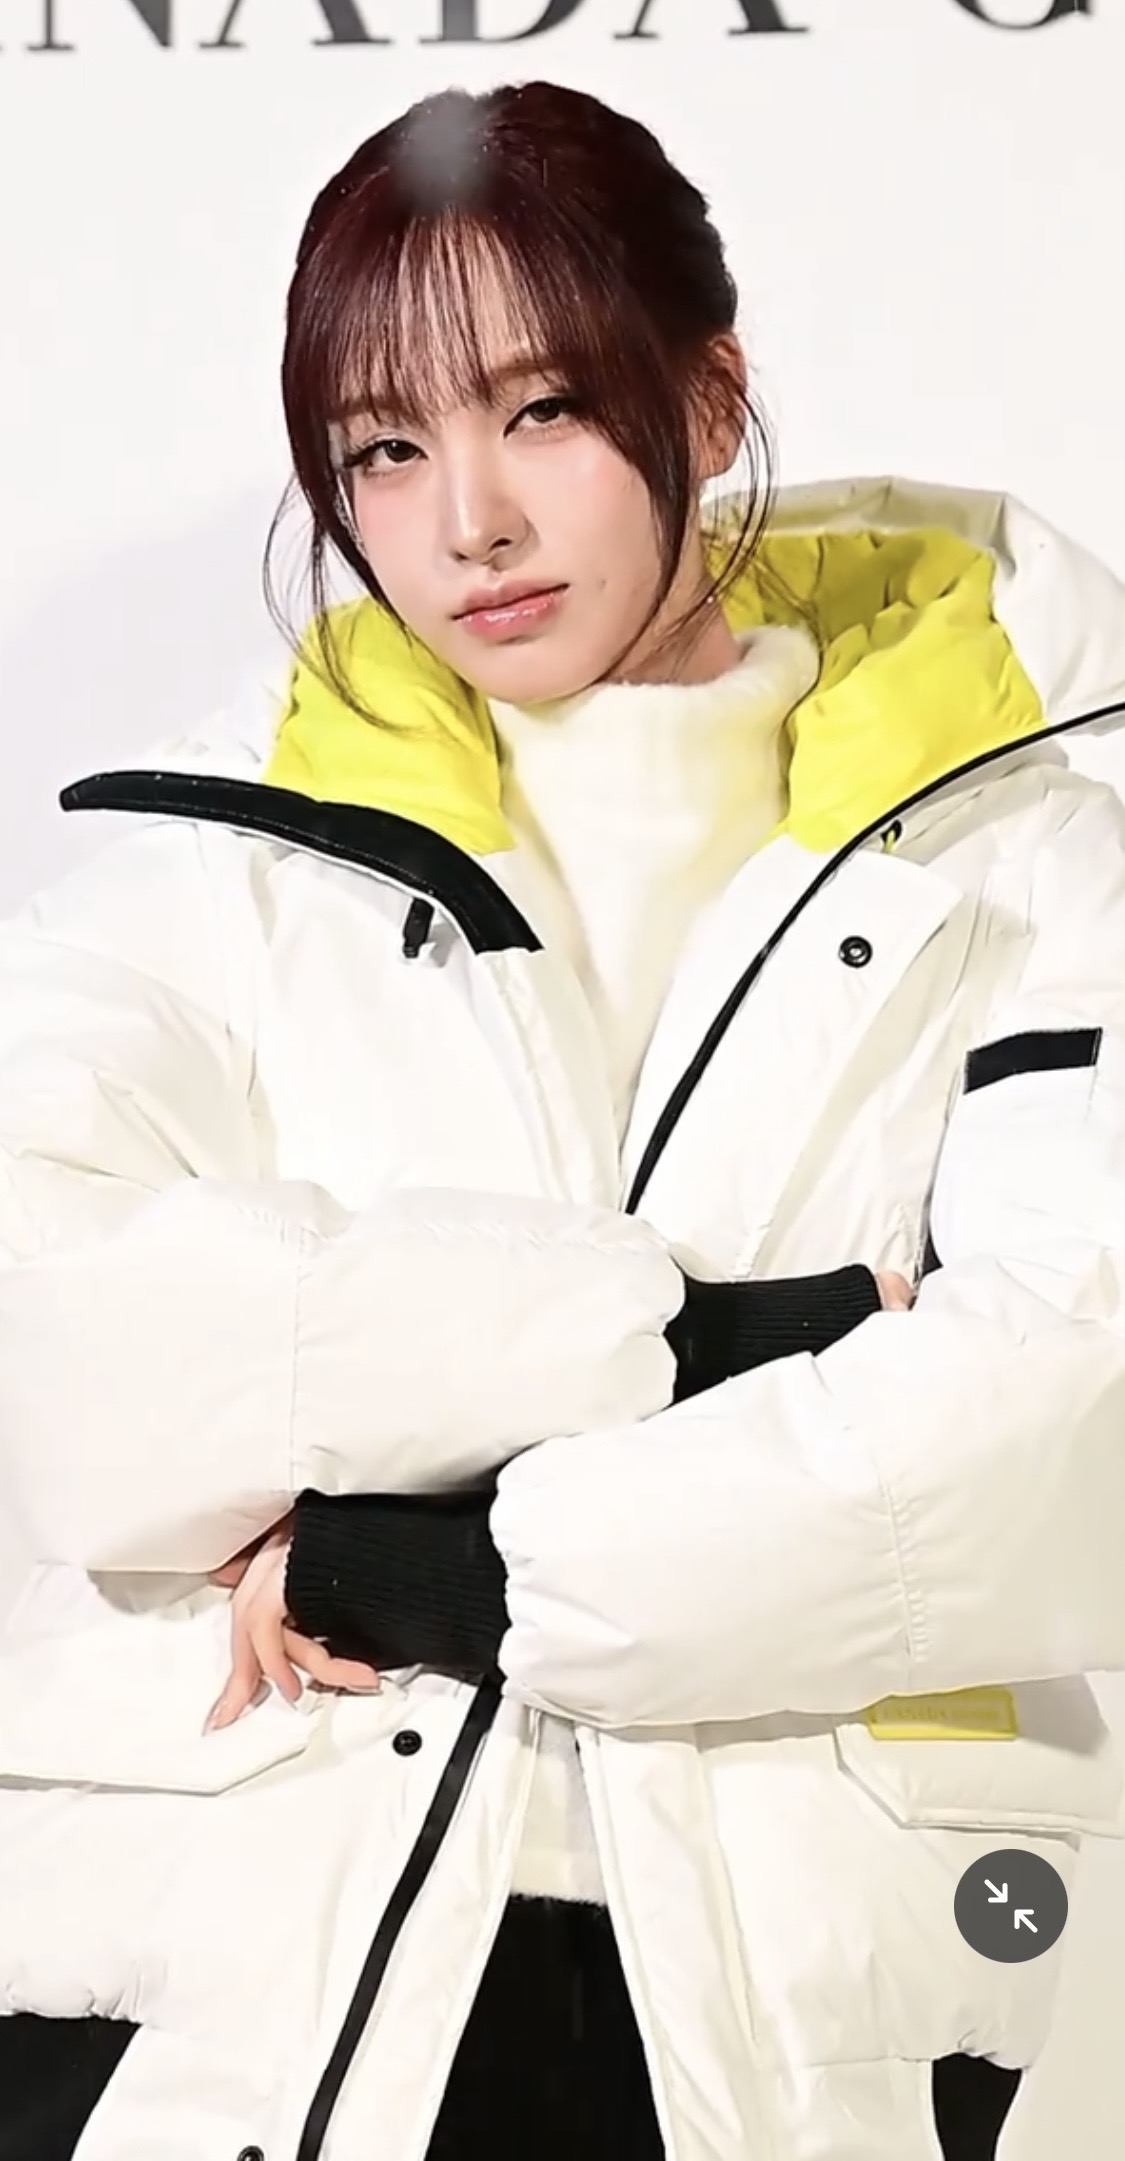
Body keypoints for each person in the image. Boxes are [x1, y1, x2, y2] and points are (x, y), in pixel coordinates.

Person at [1, 77, 1125, 2161]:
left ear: (706, 398)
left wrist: (422, 1565)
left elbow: (1065, 1414)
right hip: (235, 1953)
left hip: (789, 1977)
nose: (469, 525)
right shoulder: (223, 861)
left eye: (539, 412)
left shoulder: (1029, 862)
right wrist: (744, 1338)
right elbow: (50, 1333)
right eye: (384, 449)